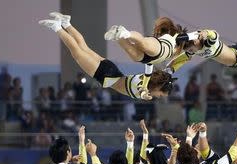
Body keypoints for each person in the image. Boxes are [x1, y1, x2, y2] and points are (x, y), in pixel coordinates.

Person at [39, 13, 176, 101]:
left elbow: (149, 65)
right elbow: (142, 92)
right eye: (161, 95)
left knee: (83, 48)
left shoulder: (146, 78)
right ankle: (57, 27)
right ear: (158, 88)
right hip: (106, 76)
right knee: (77, 52)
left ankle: (66, 23)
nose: (158, 97)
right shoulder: (144, 88)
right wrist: (143, 96)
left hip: (111, 69)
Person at [104, 17, 196, 97]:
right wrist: (200, 35)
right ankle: (124, 32)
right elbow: (193, 36)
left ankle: (117, 34)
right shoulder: (176, 38)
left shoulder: (175, 55)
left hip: (148, 60)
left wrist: (144, 87)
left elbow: (149, 73)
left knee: (132, 52)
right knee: (143, 43)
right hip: (160, 50)